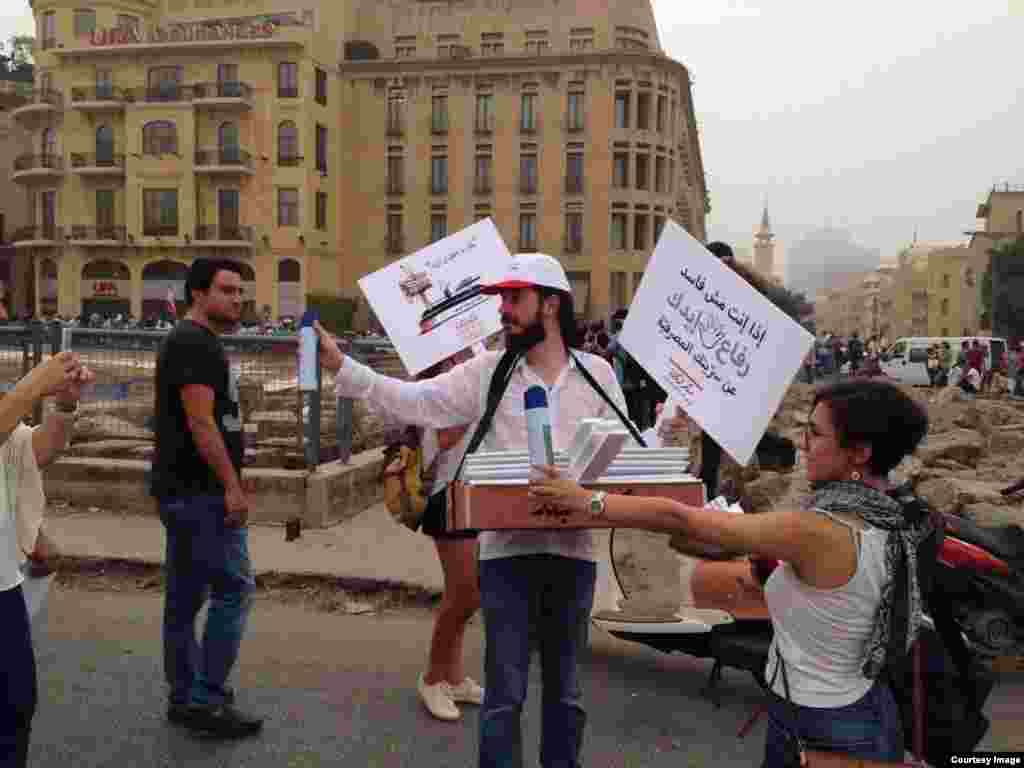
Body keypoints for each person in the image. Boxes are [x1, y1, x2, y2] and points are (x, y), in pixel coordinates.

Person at [319, 253, 684, 768]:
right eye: (501, 300)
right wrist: (346, 369)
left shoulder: (597, 373)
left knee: (566, 695)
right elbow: (416, 401)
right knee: (504, 695)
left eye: (515, 299)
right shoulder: (490, 371)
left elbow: (625, 455)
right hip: (505, 558)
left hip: (574, 558)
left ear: (551, 305)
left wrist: (668, 425)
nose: (503, 311)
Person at [531, 379, 934, 766]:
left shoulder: (819, 529)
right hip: (839, 710)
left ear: (859, 453)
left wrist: (588, 500)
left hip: (830, 726)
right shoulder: (891, 511)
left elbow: (682, 520)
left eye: (816, 434)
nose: (803, 444)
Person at [150, 258, 263, 738]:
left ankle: (184, 696)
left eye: (240, 292)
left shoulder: (194, 341)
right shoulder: (194, 343)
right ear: (199, 293)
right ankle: (207, 699)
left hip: (183, 490)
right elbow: (200, 421)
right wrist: (231, 487)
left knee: (184, 599)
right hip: (201, 495)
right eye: (227, 291)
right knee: (234, 589)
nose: (237, 300)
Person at [1, 350, 91, 767]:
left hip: (4, 581)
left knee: (16, 706)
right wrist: (35, 383)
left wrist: (65, 403)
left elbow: (35, 450)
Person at [414, 351, 485, 722]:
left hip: (480, 493)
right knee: (464, 593)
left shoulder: (482, 362)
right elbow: (439, 439)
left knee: (468, 593)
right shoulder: (439, 375)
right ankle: (432, 678)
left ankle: (454, 677)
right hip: (449, 492)